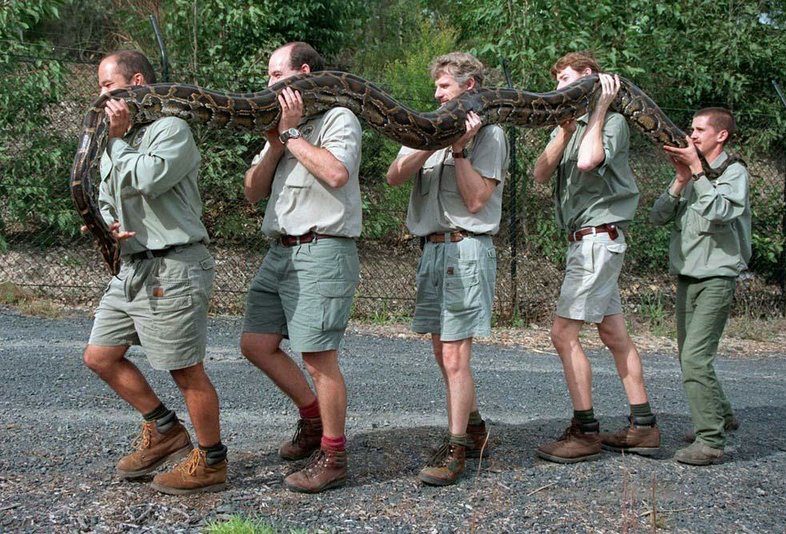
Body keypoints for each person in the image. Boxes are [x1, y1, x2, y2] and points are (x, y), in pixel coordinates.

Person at [82, 50, 227, 494]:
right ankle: (164, 429)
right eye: (101, 88)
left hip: (174, 264)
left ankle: (212, 461)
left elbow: (149, 178)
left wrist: (120, 140)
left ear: (137, 83)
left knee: (184, 369)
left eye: (109, 86)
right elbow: (108, 193)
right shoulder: (113, 140)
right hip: (132, 266)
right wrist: (108, 220)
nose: (101, 96)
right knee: (100, 356)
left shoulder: (171, 129)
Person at [239, 42, 362, 493]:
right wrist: (275, 143)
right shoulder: (282, 126)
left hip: (322, 248)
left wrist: (293, 137)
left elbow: (335, 174)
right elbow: (253, 192)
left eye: (275, 74)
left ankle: (333, 456)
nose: (268, 83)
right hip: (280, 250)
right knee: (255, 343)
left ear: (303, 73)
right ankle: (313, 420)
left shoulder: (338, 118)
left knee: (317, 357)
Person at [531, 51, 660, 463]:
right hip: (586, 242)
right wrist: (564, 132)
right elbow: (539, 173)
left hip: (597, 240)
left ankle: (585, 432)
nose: (557, 87)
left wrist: (601, 108)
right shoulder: (570, 128)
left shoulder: (614, 122)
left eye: (565, 78)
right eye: (555, 80)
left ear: (589, 77)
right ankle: (644, 427)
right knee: (614, 336)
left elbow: (590, 161)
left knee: (562, 334)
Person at [386, 52, 508, 486]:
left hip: (467, 248)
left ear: (470, 87)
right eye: (436, 86)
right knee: (442, 352)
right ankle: (474, 429)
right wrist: (431, 143)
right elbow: (394, 176)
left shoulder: (490, 135)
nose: (435, 94)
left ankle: (456, 447)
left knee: (456, 355)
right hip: (433, 249)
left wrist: (458, 150)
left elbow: (477, 201)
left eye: (444, 87)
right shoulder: (428, 128)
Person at [654, 108, 750, 465]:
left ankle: (710, 440)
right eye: (690, 129)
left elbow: (722, 212)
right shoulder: (693, 176)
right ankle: (722, 415)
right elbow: (658, 216)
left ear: (720, 136)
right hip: (688, 275)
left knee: (696, 358)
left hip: (716, 277)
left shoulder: (732, 172)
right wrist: (680, 180)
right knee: (688, 356)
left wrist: (696, 171)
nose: (690, 136)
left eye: (698, 130)